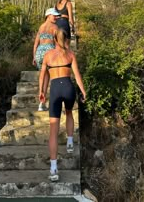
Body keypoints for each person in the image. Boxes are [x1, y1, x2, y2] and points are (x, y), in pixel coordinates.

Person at [39, 28, 86, 181]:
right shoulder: (71, 55)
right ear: (66, 39)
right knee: (69, 112)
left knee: (53, 130)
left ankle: (53, 169)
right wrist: (83, 91)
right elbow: (77, 75)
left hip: (55, 90)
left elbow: (42, 76)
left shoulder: (48, 55)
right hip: (68, 87)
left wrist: (42, 92)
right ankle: (70, 141)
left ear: (53, 39)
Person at [32, 8, 60, 111]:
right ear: (48, 16)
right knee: (53, 77)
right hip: (50, 52)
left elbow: (36, 43)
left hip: (39, 52)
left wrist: (34, 56)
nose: (56, 17)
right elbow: (58, 43)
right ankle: (54, 102)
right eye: (54, 16)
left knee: (43, 76)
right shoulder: (55, 27)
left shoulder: (41, 27)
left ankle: (41, 102)